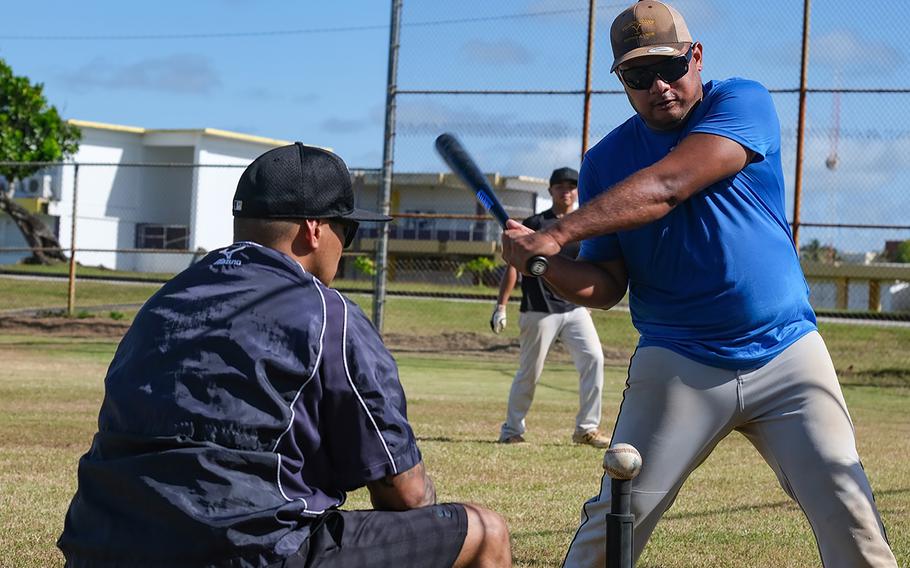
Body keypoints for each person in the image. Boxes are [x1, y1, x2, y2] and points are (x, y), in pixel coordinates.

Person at [501, 2, 898, 567]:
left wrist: (556, 232)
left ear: (697, 56)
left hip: (786, 353)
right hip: (679, 362)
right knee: (615, 523)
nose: (659, 86)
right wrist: (539, 261)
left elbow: (670, 183)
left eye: (670, 67)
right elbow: (606, 287)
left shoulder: (741, 101)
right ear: (621, 82)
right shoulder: (604, 162)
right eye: (639, 76)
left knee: (849, 510)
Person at [57, 143, 512, 568]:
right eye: (347, 229)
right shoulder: (329, 314)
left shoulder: (165, 300)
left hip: (99, 545)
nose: (346, 246)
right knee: (485, 532)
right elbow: (406, 495)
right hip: (241, 552)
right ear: (314, 229)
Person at [491, 167, 609, 448]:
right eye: (560, 186)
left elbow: (588, 265)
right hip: (539, 309)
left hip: (574, 308)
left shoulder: (584, 223)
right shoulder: (534, 223)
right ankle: (511, 430)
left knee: (594, 359)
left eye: (571, 185)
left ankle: (587, 429)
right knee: (530, 371)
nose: (566, 191)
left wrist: (588, 300)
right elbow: (513, 268)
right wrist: (501, 305)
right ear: (550, 191)